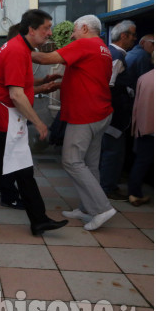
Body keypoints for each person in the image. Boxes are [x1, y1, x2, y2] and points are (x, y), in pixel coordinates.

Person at [0, 9, 67, 236]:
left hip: (9, 118)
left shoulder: (17, 47)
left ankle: (39, 220)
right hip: (5, 119)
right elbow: (16, 94)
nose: (49, 33)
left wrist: (41, 80)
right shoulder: (16, 50)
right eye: (46, 28)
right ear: (31, 30)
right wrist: (39, 122)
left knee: (23, 170)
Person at [32, 14, 116, 230]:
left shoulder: (85, 44)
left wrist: (20, 49)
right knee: (89, 164)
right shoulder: (102, 48)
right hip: (101, 112)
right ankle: (88, 208)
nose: (72, 34)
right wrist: (63, 85)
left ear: (86, 28)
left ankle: (102, 208)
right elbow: (90, 77)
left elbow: (45, 59)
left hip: (85, 114)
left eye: (75, 30)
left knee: (71, 161)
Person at [100, 20, 137, 201]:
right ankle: (107, 187)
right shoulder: (116, 56)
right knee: (113, 152)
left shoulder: (110, 52)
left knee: (111, 150)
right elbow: (109, 85)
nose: (135, 39)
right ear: (124, 36)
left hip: (111, 112)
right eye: (133, 35)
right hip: (114, 114)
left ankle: (107, 185)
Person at [127, 68, 154, 206]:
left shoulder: (144, 77)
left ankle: (134, 193)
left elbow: (136, 105)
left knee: (141, 162)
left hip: (145, 126)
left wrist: (136, 126)